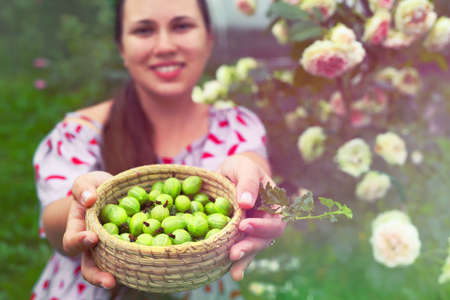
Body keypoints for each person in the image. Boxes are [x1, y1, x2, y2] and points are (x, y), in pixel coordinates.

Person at [30, 0, 286, 299]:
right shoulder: (77, 134)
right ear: (121, 48)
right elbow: (54, 224)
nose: (164, 45)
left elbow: (250, 166)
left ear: (209, 39)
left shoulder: (237, 126)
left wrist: (254, 188)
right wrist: (82, 205)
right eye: (144, 30)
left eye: (182, 26)